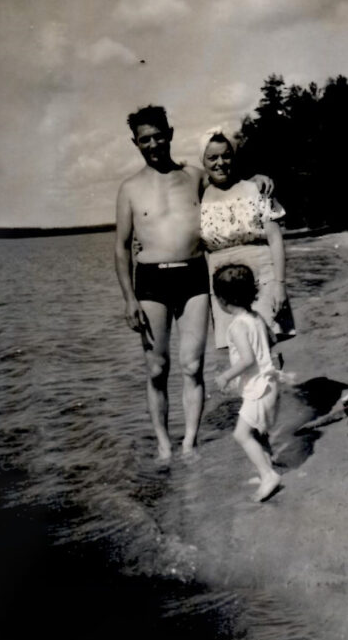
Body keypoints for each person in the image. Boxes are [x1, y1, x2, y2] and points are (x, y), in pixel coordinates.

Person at [114, 106, 272, 462]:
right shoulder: (129, 188)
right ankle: (163, 445)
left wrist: (256, 177)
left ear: (170, 133)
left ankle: (189, 443)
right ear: (135, 143)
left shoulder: (194, 176)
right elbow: (121, 247)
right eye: (145, 139)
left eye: (158, 136)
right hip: (150, 279)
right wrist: (128, 299)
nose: (153, 144)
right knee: (156, 368)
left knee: (191, 366)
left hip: (193, 276)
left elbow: (227, 178)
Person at [199, 128, 295, 350]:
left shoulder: (256, 189)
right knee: (237, 348)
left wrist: (280, 284)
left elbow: (275, 239)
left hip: (262, 274)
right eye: (212, 158)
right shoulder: (199, 198)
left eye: (226, 155)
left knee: (267, 342)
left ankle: (273, 384)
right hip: (221, 281)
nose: (220, 163)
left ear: (234, 156)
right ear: (202, 162)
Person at [213, 264, 282, 502]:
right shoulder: (256, 317)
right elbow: (272, 340)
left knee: (241, 434)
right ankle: (268, 467)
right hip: (270, 382)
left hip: (258, 388)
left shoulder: (236, 326)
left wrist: (226, 376)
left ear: (221, 300)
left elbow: (247, 359)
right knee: (258, 431)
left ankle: (267, 474)